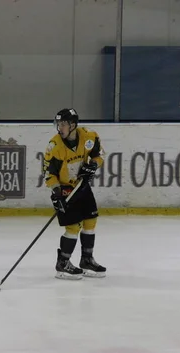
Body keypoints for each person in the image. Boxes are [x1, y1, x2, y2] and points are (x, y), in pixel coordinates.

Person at [43, 108, 107, 280]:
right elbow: (49, 174)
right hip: (65, 189)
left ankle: (86, 260)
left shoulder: (89, 136)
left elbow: (99, 155)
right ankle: (63, 263)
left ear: (73, 125)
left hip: (82, 186)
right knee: (73, 227)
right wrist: (57, 193)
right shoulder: (54, 146)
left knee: (90, 221)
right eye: (58, 124)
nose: (59, 128)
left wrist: (93, 165)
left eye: (63, 124)